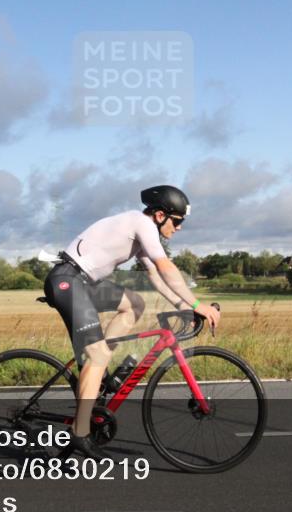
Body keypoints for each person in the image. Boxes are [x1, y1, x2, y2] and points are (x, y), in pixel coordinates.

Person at [43, 185, 222, 460]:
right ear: (160, 215)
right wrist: (199, 305)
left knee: (134, 304)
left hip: (82, 282)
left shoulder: (141, 232)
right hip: (68, 281)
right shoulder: (142, 224)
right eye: (177, 221)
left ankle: (99, 375)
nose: (180, 228)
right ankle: (80, 432)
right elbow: (166, 268)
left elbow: (155, 276)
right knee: (97, 355)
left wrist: (184, 307)